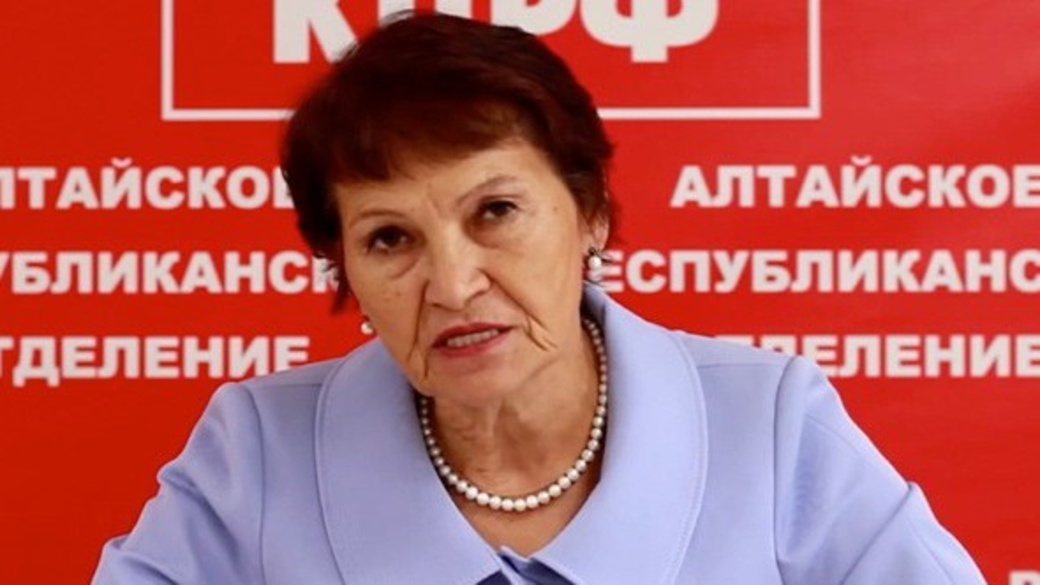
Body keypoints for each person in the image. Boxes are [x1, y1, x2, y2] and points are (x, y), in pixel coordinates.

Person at [93, 11, 985, 584]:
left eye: (496, 212)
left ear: (590, 211)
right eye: (390, 238)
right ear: (344, 269)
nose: (452, 285)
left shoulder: (769, 423)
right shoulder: (259, 448)